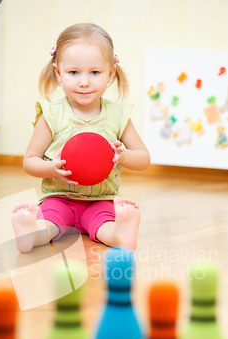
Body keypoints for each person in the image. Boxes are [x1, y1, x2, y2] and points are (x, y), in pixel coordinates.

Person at [11, 23, 150, 253]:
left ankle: (119, 235)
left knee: (103, 223)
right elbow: (29, 161)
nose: (84, 81)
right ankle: (30, 234)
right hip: (59, 197)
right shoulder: (52, 115)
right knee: (52, 223)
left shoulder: (118, 116)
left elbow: (144, 159)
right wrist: (51, 168)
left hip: (101, 199)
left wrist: (123, 156)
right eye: (73, 72)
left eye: (94, 72)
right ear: (58, 72)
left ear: (110, 73)